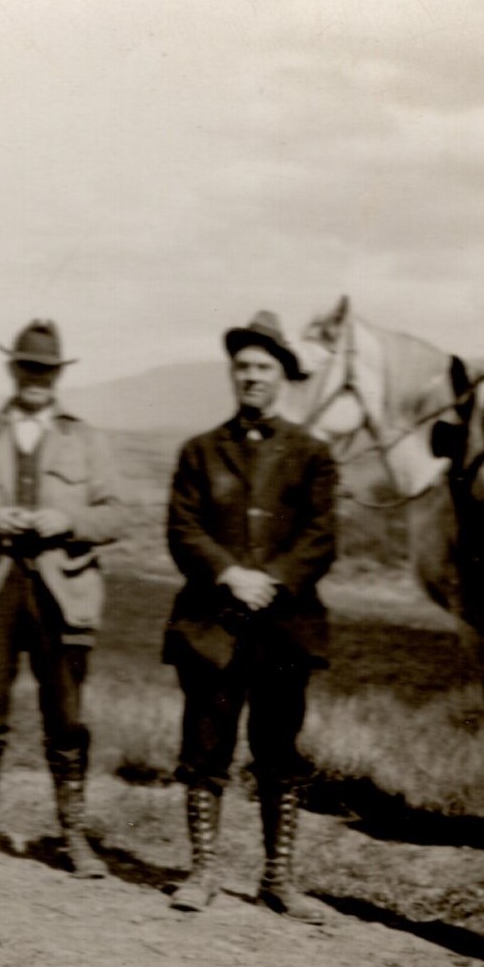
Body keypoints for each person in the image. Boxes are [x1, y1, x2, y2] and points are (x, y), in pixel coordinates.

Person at [0, 320, 125, 874]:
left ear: (58, 375)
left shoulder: (85, 440)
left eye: (47, 370)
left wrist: (68, 520)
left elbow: (116, 514)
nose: (37, 378)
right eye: (29, 367)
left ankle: (72, 836)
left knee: (66, 717)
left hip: (64, 596)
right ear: (12, 369)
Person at [162, 311, 339, 922]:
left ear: (283, 375)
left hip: (286, 628)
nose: (252, 377)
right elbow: (183, 529)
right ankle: (203, 872)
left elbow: (322, 537)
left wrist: (274, 581)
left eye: (263, 367)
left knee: (279, 752)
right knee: (205, 748)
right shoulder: (199, 452)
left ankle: (278, 879)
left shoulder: (313, 454)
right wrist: (229, 574)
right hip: (212, 627)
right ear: (232, 374)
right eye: (242, 367)